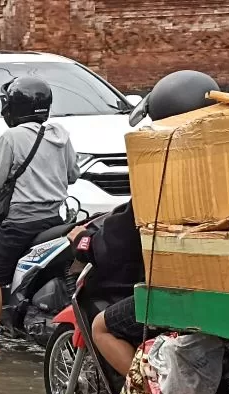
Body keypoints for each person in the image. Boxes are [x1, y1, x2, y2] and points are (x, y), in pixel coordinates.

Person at [68, 70, 219, 376]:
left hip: (186, 293)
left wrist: (86, 242)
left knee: (101, 328)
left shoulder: (167, 174)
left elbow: (119, 242)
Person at [0, 77, 79, 363]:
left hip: (20, 224)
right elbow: (72, 175)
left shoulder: (11, 138)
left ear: (14, 107)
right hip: (55, 219)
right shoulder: (60, 134)